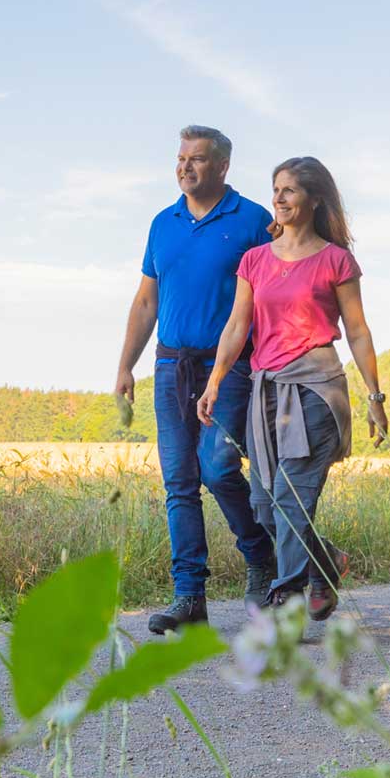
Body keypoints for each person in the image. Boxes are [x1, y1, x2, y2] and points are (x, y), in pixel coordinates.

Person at [196, 156, 386, 621]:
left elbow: (357, 331)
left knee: (290, 497)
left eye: (289, 191)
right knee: (265, 505)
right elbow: (238, 324)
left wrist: (375, 396)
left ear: (314, 198)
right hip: (266, 392)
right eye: (275, 189)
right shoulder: (255, 260)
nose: (278, 199)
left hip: (317, 389)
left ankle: (287, 601)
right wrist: (215, 380)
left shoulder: (336, 260)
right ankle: (325, 560)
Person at [117, 125, 278, 634]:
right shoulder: (162, 223)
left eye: (198, 159)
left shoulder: (253, 220)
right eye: (181, 158)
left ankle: (262, 556)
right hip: (170, 366)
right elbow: (147, 301)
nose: (186, 167)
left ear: (223, 166)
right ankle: (189, 597)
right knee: (179, 483)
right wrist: (125, 364)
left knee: (217, 467)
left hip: (228, 368)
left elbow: (277, 294)